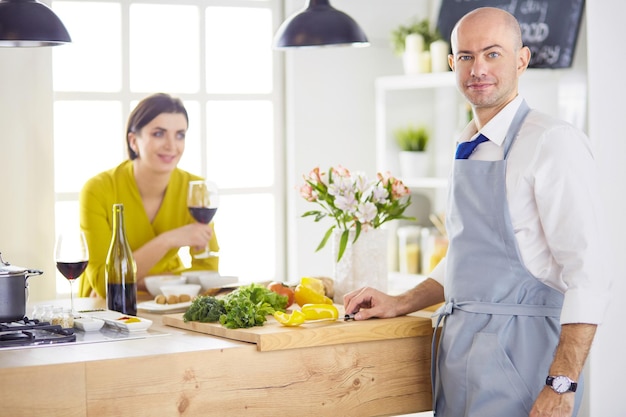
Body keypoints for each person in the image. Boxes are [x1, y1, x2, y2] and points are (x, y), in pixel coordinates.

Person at [344, 7, 611, 417]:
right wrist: (402, 302)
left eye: (493, 53)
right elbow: (468, 256)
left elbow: (588, 273)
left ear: (522, 60)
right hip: (460, 354)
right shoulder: (468, 143)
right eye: (466, 57)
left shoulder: (553, 142)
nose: (478, 68)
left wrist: (561, 384)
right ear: (452, 64)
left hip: (523, 357)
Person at [78, 93, 219, 299]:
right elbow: (104, 283)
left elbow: (208, 272)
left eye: (180, 135)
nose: (172, 145)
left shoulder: (195, 189)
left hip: (166, 303)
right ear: (134, 141)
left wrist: (145, 280)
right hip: (107, 308)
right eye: (159, 134)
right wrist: (169, 240)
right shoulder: (98, 190)